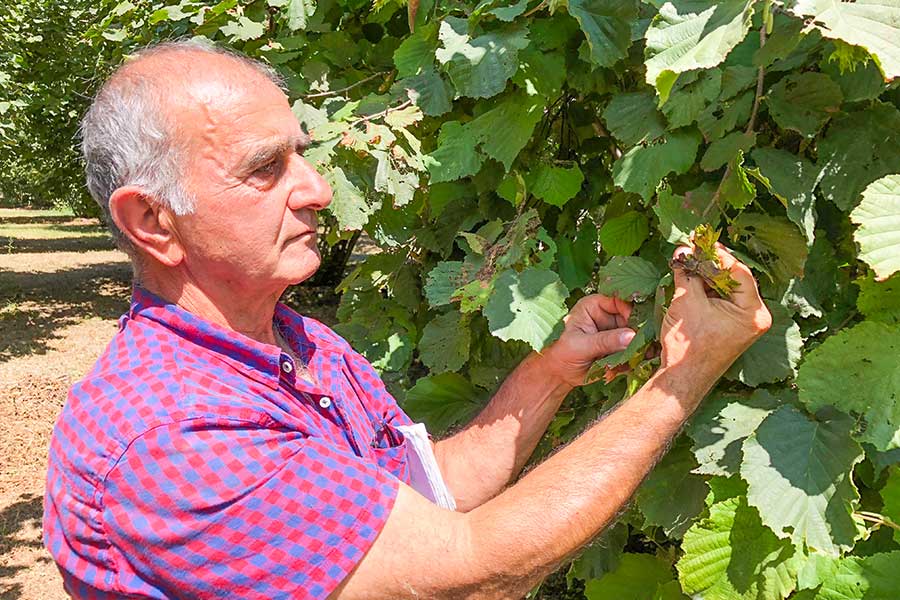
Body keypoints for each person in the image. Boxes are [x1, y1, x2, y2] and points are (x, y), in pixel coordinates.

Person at [43, 40, 772, 600]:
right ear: (153, 220)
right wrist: (684, 374)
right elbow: (465, 574)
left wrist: (551, 370)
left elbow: (426, 495)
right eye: (265, 169)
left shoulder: (291, 340)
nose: (319, 189)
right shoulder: (172, 437)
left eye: (302, 155)